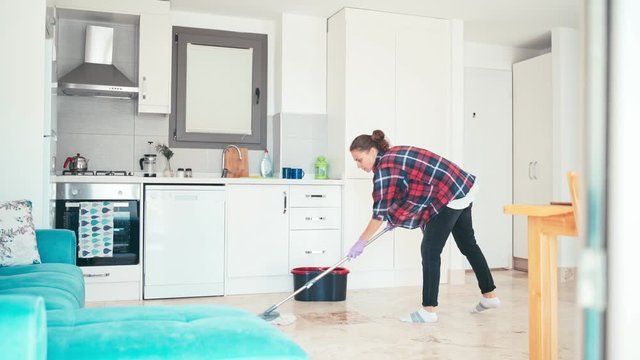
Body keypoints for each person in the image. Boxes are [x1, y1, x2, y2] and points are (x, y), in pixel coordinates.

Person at [347, 130, 500, 324]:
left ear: (371, 151)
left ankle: (428, 310)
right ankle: (490, 296)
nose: (359, 166)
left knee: (430, 250)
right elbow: (412, 191)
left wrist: (361, 241)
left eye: (359, 160)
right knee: (468, 245)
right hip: (461, 185)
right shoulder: (393, 154)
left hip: (449, 193)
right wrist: (396, 218)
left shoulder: (385, 167)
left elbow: (379, 213)